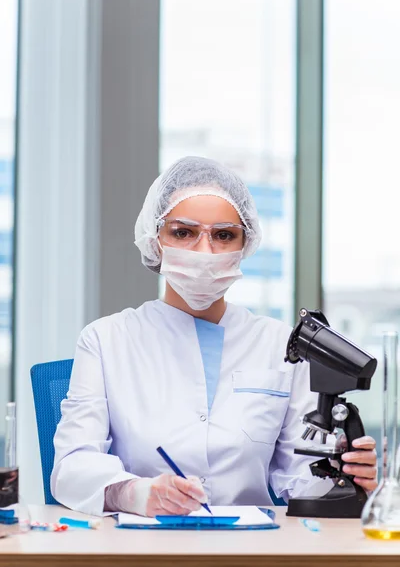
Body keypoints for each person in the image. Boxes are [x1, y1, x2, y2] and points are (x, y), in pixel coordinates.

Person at [51, 156, 377, 517]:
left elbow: (300, 476)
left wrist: (344, 477)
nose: (204, 252)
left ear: (245, 243)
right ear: (154, 239)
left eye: (223, 235)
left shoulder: (280, 345)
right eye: (183, 232)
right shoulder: (106, 339)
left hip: (252, 546)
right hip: (141, 545)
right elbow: (72, 465)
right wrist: (133, 493)